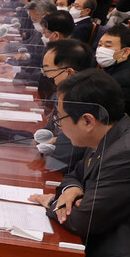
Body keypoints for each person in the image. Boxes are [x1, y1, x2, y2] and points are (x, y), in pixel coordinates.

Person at [28, 70, 130, 257]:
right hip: (97, 249)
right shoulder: (109, 134)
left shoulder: (128, 154)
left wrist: (50, 202)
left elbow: (81, 220)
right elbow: (75, 174)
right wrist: (71, 190)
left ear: (87, 121)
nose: (59, 125)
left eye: (61, 118)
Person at [37, 38, 94, 170]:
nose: (46, 76)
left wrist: (51, 143)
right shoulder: (65, 91)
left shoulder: (84, 102)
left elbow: (59, 156)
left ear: (69, 73)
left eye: (48, 71)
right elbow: (48, 131)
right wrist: (48, 141)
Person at [95, 25, 130, 108]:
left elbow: (108, 113)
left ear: (125, 52)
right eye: (100, 45)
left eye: (108, 46)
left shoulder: (122, 80)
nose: (101, 50)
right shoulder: (110, 68)